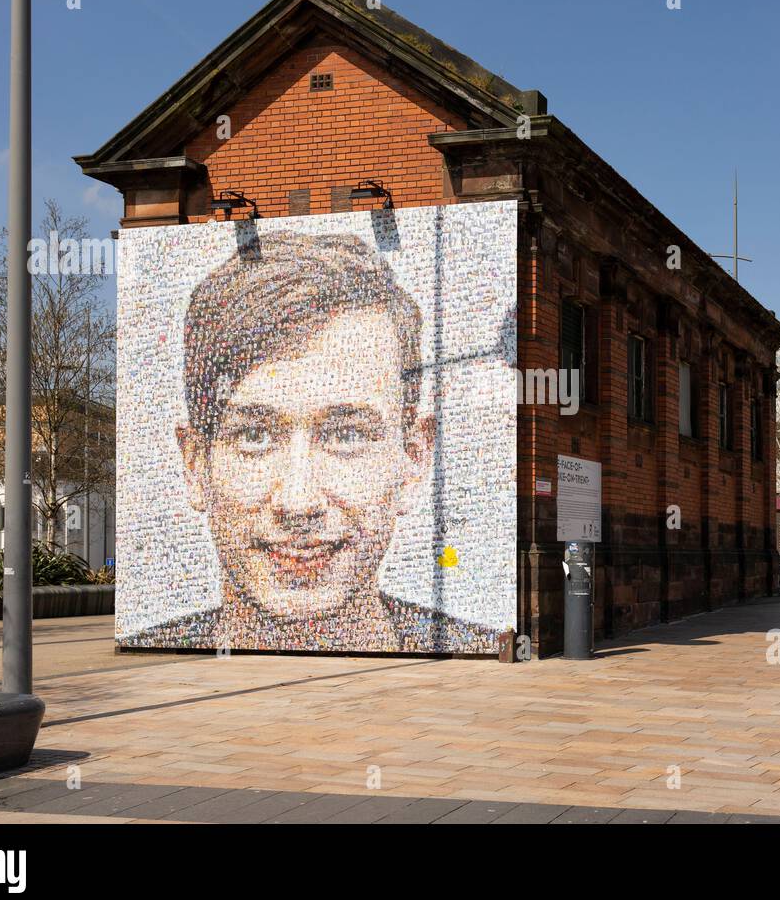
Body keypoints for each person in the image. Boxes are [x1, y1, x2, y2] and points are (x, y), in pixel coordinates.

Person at [124, 231, 501, 655]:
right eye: (254, 436)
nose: (298, 502)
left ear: (413, 459)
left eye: (347, 435)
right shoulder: (150, 648)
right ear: (195, 464)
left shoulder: (479, 646)